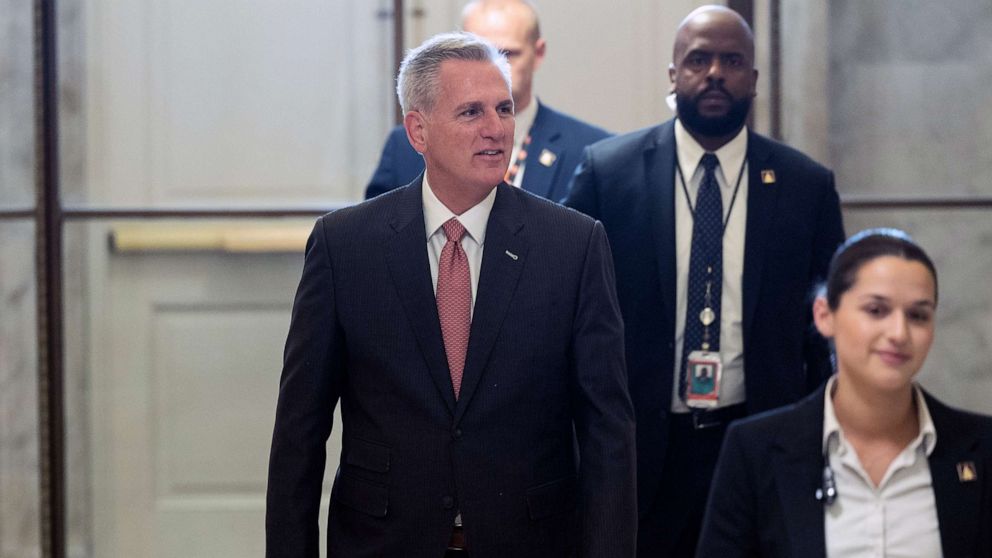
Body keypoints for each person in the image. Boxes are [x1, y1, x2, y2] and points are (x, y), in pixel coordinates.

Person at [266, 32, 636, 558]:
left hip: (530, 540)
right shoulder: (345, 245)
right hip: (382, 541)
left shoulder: (574, 246)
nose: (496, 130)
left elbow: (608, 435)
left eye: (504, 109)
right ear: (418, 130)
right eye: (470, 113)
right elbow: (299, 432)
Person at [563, 5, 845, 556]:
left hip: (761, 438)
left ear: (755, 80)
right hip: (640, 447)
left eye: (732, 60)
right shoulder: (608, 172)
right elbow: (564, 306)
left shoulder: (805, 185)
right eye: (698, 59)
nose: (715, 73)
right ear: (673, 75)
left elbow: (829, 325)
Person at [698, 228, 992, 557]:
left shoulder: (981, 447)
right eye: (876, 310)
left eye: (918, 315)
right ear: (825, 315)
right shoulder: (755, 450)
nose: (899, 332)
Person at [365, 0, 609, 202]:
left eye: (507, 54)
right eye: (478, 54)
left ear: (538, 53)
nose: (493, 67)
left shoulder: (593, 153)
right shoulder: (404, 147)